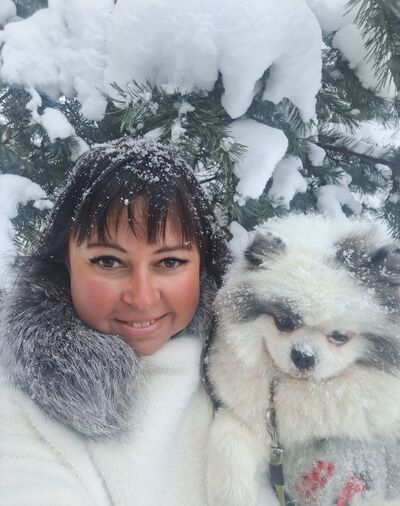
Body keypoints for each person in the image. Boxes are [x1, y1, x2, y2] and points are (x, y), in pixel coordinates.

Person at [0, 137, 230, 506]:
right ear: (64, 263)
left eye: (169, 262)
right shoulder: (20, 403)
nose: (142, 298)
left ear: (203, 265)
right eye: (108, 261)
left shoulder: (256, 368)